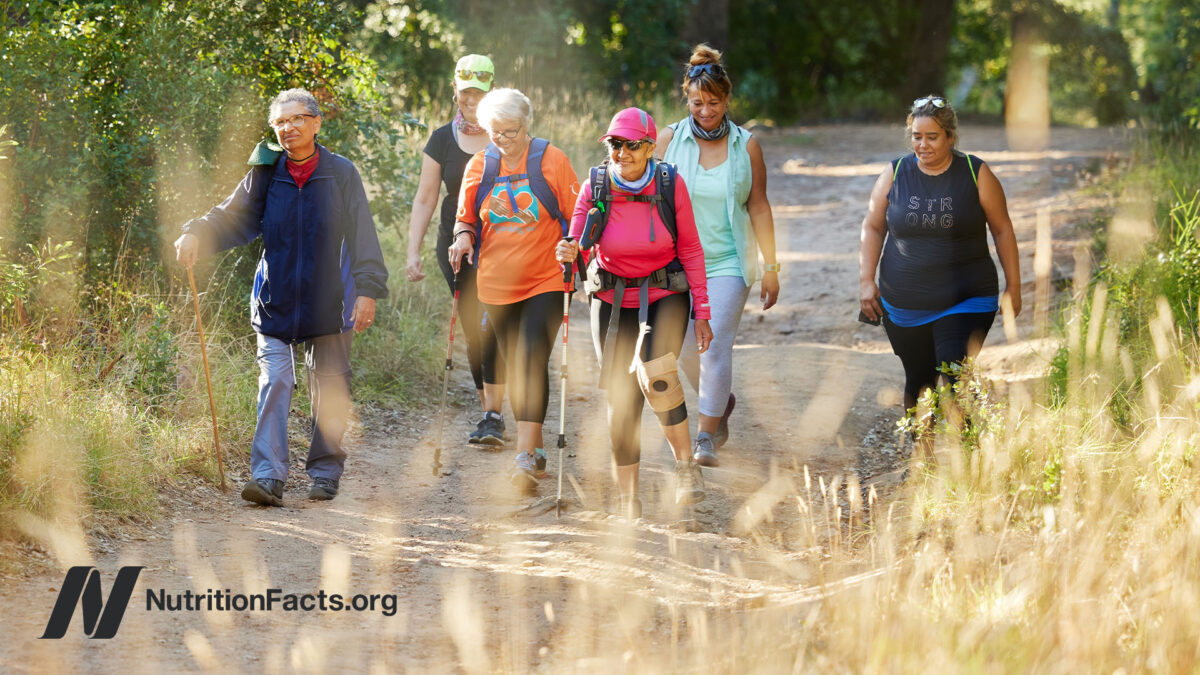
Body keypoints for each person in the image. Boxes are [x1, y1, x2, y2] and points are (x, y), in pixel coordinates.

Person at [174, 88, 389, 506]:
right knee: (276, 380)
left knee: (329, 387)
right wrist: (195, 230)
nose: (288, 128)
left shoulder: (341, 173)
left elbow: (364, 234)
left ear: (315, 123)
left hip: (331, 300)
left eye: (296, 119)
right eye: (280, 122)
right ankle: (268, 476)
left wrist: (368, 291)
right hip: (274, 297)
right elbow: (232, 214)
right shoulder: (267, 173)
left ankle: (325, 473)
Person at [556, 108, 715, 518]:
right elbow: (576, 236)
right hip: (611, 296)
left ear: (648, 147)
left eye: (631, 145)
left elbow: (692, 249)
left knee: (658, 373)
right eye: (614, 144)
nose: (621, 152)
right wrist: (569, 250)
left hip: (665, 290)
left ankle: (685, 469)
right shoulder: (595, 185)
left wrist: (703, 310)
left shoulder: (669, 184)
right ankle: (629, 498)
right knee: (622, 399)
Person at [858, 95, 1022, 448]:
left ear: (950, 137)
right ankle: (923, 459)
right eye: (917, 136)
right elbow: (873, 227)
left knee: (953, 368)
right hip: (903, 303)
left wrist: (1014, 287)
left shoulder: (976, 174)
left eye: (932, 136)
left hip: (967, 298)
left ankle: (971, 456)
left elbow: (1003, 229)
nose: (923, 144)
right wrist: (865, 281)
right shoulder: (895, 173)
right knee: (918, 379)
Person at [447, 88, 580, 490]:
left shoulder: (552, 160)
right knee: (518, 363)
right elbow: (465, 219)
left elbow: (579, 216)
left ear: (528, 124)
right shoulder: (479, 166)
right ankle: (536, 451)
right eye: (496, 133)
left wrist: (573, 244)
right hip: (496, 284)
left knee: (528, 358)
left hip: (546, 278)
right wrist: (463, 238)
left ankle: (523, 459)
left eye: (512, 131)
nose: (504, 140)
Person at [657, 44, 781, 467]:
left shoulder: (747, 146)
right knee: (683, 348)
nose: (705, 111)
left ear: (728, 101)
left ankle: (705, 436)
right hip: (674, 263)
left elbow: (759, 205)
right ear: (686, 99)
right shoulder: (669, 140)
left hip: (728, 260)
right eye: (697, 102)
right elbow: (644, 197)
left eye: (713, 103)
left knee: (713, 346)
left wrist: (771, 266)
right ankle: (719, 401)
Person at [406, 54, 507, 446]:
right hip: (456, 249)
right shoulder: (441, 139)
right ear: (455, 91)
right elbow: (425, 198)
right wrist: (412, 252)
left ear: (491, 93)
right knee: (476, 328)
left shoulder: (506, 136)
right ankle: (491, 415)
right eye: (465, 92)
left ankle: (498, 407)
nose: (471, 99)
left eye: (479, 93)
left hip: (505, 248)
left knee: (497, 325)